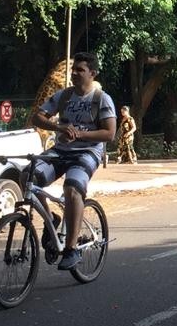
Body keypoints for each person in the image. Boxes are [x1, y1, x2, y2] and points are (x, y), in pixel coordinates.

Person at [30, 52, 117, 270]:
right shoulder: (64, 96)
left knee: (72, 189)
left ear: (92, 73)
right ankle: (51, 217)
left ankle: (71, 249)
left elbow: (109, 134)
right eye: (73, 70)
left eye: (80, 70)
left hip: (86, 153)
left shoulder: (101, 99)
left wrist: (80, 134)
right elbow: (37, 117)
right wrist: (58, 127)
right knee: (28, 177)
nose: (74, 74)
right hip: (60, 150)